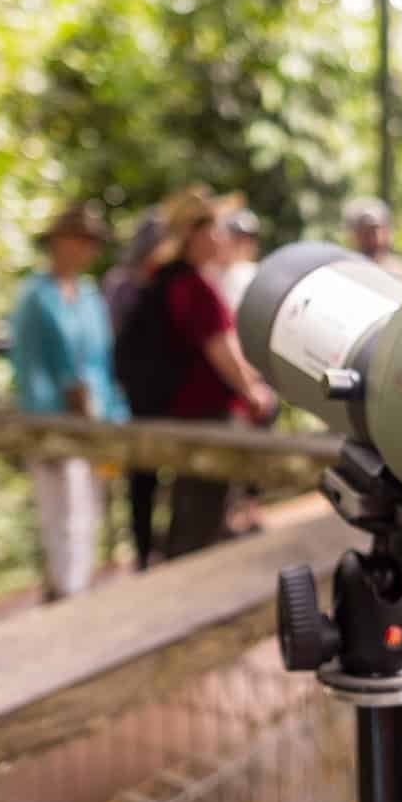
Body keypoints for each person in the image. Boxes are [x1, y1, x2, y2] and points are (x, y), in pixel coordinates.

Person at [114, 185, 276, 559]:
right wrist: (255, 395)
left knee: (194, 521)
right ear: (194, 234)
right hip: (205, 421)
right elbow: (222, 351)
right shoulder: (191, 286)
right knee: (197, 529)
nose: (223, 237)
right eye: (215, 228)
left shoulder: (170, 279)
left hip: (187, 418)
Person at [11, 203, 130, 601]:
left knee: (86, 518)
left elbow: (100, 362)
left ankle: (72, 595)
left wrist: (110, 416)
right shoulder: (35, 297)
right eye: (80, 240)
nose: (86, 249)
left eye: (91, 242)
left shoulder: (90, 295)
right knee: (62, 519)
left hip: (95, 421)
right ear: (58, 242)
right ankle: (67, 600)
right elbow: (38, 367)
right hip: (51, 422)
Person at [105, 212, 168, 569]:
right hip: (130, 396)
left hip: (159, 397)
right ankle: (142, 552)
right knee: (140, 480)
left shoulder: (159, 284)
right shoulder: (122, 286)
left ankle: (152, 548)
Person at [343, 196, 402, 285]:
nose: (372, 238)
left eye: (376, 230)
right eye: (366, 232)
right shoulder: (345, 270)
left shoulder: (400, 271)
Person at [216, 208, 261, 314]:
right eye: (238, 237)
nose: (244, 244)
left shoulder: (255, 272)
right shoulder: (210, 271)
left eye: (249, 238)